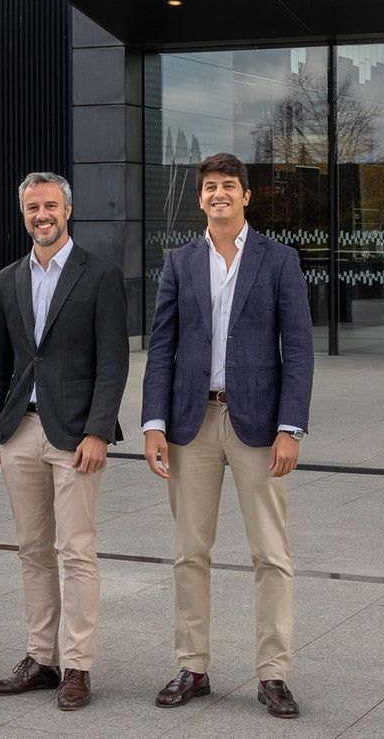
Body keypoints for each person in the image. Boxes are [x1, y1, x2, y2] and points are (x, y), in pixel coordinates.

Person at [142, 152, 312, 720]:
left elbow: (300, 351)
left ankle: (273, 675)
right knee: (190, 551)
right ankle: (192, 666)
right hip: (191, 424)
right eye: (210, 186)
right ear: (200, 198)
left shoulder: (279, 260)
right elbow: (160, 347)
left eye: (229, 186)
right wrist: (154, 424)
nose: (219, 194)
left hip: (259, 427)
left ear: (246, 196)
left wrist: (290, 428)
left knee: (271, 554)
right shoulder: (178, 262)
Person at [0, 172, 129, 711]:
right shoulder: (8, 278)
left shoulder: (101, 276)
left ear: (68, 210)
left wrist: (97, 431)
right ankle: (42, 659)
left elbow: (113, 362)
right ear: (24, 215)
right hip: (19, 431)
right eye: (33, 208)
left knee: (77, 551)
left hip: (74, 436)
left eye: (51, 206)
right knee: (33, 551)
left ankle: (78, 666)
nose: (42, 215)